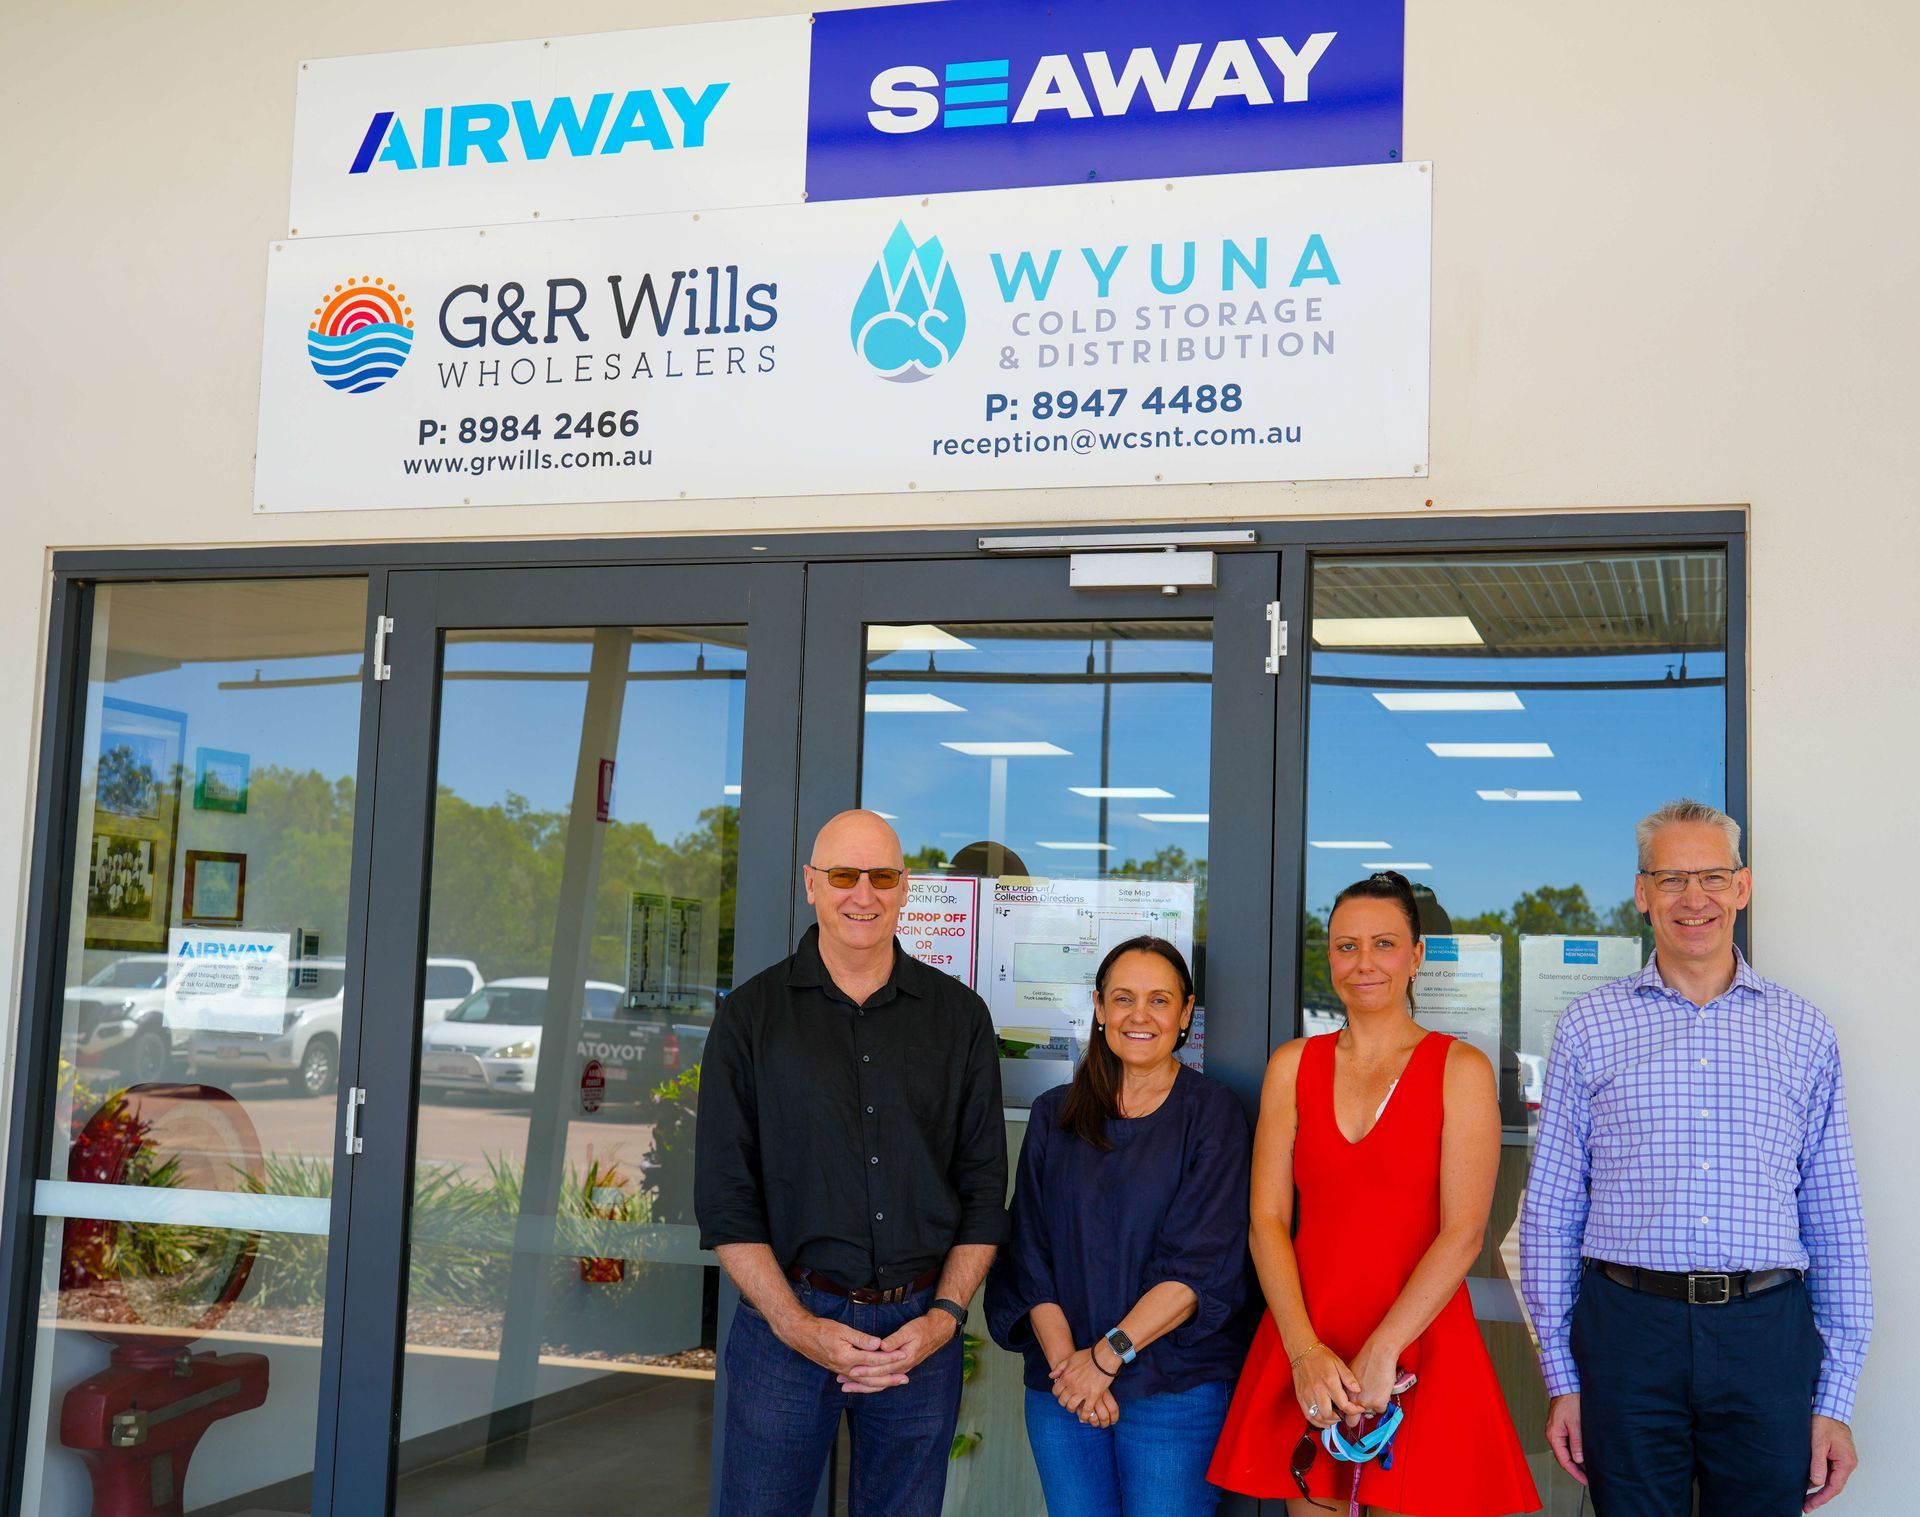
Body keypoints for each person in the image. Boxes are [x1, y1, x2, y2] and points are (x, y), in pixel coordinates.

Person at [1519, 799, 1870, 1515]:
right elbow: (1551, 1214)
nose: (1693, 897)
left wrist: (1834, 1397)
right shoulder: (1590, 1026)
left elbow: (1834, 1220)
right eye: (1671, 878)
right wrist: (1564, 1377)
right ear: (1642, 892)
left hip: (1766, 1333)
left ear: (1742, 887)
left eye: (1711, 876)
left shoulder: (1803, 1030)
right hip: (1626, 1333)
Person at [694, 809, 1008, 1517]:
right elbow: (724, 1198)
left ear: (906, 889)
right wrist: (796, 1324)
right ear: (811, 883)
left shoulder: (959, 1018)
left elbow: (984, 1188)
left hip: (916, 1334)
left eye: (882, 876)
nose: (861, 893)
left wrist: (945, 1317)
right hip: (787, 1327)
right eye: (843, 874)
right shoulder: (750, 1018)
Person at [1210, 870, 1540, 1516]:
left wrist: (1386, 1349)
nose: (1363, 962)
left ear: (1417, 956)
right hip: (1312, 1337)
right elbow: (1266, 1219)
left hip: (1421, 1343)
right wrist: (1304, 1351)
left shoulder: (1460, 1069)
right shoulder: (1292, 1065)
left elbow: (1464, 1232)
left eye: (1384, 943)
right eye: (1345, 945)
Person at [986, 937, 1253, 1517]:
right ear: (1100, 1007)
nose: (1140, 1015)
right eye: (1124, 998)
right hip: (1062, 1387)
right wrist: (1070, 1371)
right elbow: (1029, 1254)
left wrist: (1103, 1361)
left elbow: (1201, 1268)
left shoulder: (1212, 1114)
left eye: (1160, 1000)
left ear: (1185, 1014)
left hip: (1172, 1391)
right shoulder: (1053, 1115)